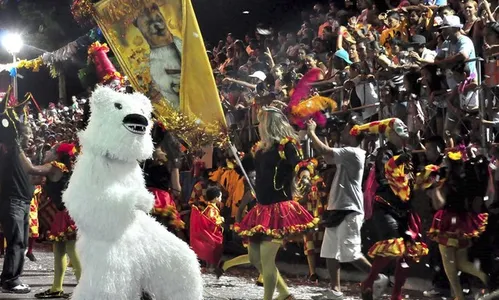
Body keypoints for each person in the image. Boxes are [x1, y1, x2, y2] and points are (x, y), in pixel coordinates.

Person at [234, 106, 318, 300]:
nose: (259, 125)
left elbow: (299, 163)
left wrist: (304, 176)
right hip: (260, 210)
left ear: (270, 123)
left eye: (262, 120)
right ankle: (286, 294)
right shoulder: (260, 150)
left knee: (267, 260)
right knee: (256, 259)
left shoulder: (287, 145)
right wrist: (230, 148)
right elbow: (244, 167)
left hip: (279, 211)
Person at [307, 117, 389, 299]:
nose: (342, 132)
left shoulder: (354, 152)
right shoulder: (348, 152)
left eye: (345, 130)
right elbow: (329, 157)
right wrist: (320, 133)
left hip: (349, 209)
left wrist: (312, 132)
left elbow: (324, 151)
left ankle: (378, 278)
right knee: (329, 252)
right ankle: (335, 290)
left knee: (350, 253)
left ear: (353, 133)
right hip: (337, 207)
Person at [355, 118, 429, 300]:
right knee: (392, 247)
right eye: (399, 126)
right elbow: (386, 173)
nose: (404, 127)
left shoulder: (407, 152)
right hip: (386, 207)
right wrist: (397, 162)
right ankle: (369, 281)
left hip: (405, 208)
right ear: (391, 132)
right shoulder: (384, 152)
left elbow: (410, 179)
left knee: (408, 253)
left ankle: (396, 294)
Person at [426, 151, 489, 300]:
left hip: (447, 223)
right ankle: (485, 278)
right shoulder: (465, 179)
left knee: (449, 265)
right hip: (463, 223)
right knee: (461, 262)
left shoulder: (446, 183)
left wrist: (434, 189)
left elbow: (439, 204)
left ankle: (459, 296)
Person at [34, 143, 82, 299]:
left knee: (71, 251)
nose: (47, 152)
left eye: (50, 150)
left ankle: (85, 288)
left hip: (67, 214)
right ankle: (56, 288)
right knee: (60, 251)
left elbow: (31, 170)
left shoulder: (56, 167)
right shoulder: (63, 168)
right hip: (64, 213)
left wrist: (17, 150)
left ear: (57, 155)